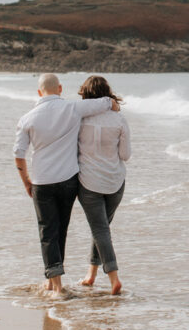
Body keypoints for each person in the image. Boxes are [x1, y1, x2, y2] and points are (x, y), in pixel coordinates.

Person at [13, 73, 119, 297]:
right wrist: (113, 104)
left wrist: (26, 182)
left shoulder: (27, 118)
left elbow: (19, 154)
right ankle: (53, 283)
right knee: (61, 229)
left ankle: (56, 285)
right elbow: (103, 103)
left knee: (47, 231)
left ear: (39, 92)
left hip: (42, 182)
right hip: (69, 181)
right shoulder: (72, 108)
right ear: (60, 89)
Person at [76, 75, 130, 296]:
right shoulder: (119, 119)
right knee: (102, 229)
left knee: (100, 230)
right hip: (115, 182)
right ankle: (91, 275)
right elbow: (125, 155)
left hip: (89, 183)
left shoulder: (79, 119)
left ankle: (114, 279)